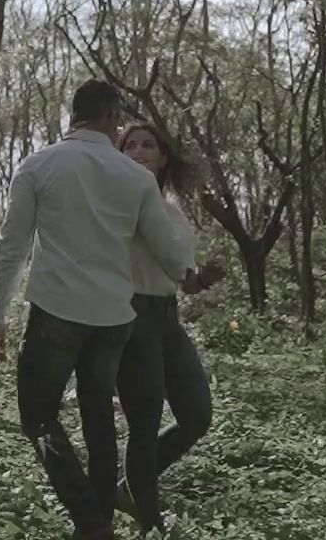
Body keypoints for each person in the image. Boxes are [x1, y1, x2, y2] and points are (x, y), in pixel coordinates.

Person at [0, 80, 203, 540]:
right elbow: (167, 251)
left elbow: (13, 245)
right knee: (99, 420)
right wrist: (191, 274)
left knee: (39, 417)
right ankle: (100, 516)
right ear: (111, 118)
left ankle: (92, 522)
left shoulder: (39, 164)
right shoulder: (137, 178)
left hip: (56, 313)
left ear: (74, 114)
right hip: (113, 319)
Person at [114, 121, 225, 536]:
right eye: (129, 145)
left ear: (163, 157)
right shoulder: (117, 200)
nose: (139, 151)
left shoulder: (174, 209)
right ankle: (150, 523)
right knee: (143, 423)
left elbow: (182, 274)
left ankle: (126, 489)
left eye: (148, 145)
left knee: (197, 415)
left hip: (167, 317)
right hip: (130, 314)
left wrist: (201, 279)